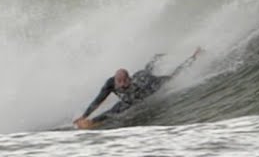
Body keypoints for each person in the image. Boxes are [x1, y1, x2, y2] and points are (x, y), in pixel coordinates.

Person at [74, 48, 202, 129]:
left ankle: (194, 57)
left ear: (129, 80)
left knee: (171, 76)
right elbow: (98, 100)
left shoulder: (141, 85)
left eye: (125, 82)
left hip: (147, 82)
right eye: (120, 83)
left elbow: (129, 100)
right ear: (115, 81)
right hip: (133, 89)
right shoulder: (110, 83)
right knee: (116, 109)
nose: (123, 85)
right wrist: (84, 116)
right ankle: (155, 58)